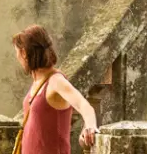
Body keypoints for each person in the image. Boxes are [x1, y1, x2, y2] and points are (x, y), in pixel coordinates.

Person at [11, 25, 99, 154]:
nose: (17, 58)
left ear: (24, 53)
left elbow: (83, 104)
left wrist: (90, 126)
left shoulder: (55, 80)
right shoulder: (37, 82)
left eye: (17, 53)